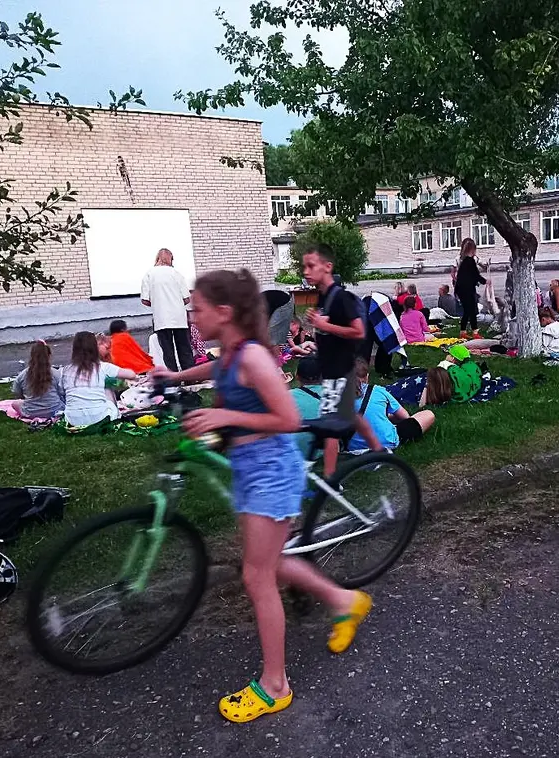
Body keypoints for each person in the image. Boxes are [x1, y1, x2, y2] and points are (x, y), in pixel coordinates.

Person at [151, 269, 372, 724]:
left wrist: (221, 415)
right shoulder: (231, 352)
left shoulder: (252, 356)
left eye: (198, 308)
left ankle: (276, 685)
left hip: (271, 471)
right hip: (253, 470)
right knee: (268, 563)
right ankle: (345, 601)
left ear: (225, 312)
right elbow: (215, 369)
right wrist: (174, 376)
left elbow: (290, 418)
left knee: (256, 577)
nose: (191, 314)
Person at [301, 244, 383, 475]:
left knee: (329, 427)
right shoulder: (323, 297)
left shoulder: (342, 297)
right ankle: (378, 451)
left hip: (341, 370)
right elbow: (328, 330)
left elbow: (358, 331)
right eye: (304, 266)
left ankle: (330, 479)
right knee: (349, 417)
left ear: (327, 267)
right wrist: (317, 322)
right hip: (332, 370)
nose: (305, 271)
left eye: (311, 266)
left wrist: (324, 325)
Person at [348, 360, 435, 452]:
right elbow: (405, 417)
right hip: (387, 442)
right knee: (428, 414)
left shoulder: (337, 398)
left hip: (354, 446)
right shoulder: (378, 390)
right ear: (367, 377)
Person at [60, 332, 137, 427]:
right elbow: (132, 374)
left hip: (72, 419)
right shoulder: (102, 367)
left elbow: (62, 392)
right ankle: (116, 417)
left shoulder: (65, 370)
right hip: (100, 417)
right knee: (106, 386)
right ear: (95, 348)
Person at [141, 248, 192, 372]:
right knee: (184, 347)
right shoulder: (176, 274)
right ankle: (190, 375)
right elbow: (186, 298)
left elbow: (144, 300)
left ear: (157, 258)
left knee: (167, 350)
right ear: (170, 259)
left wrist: (158, 304)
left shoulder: (149, 274)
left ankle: (173, 377)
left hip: (161, 318)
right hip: (179, 317)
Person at [11, 341, 64, 419]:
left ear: (32, 356)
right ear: (49, 356)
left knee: (15, 403)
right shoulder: (56, 373)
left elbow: (17, 392)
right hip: (55, 410)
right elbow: (62, 392)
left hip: (31, 412)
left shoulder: (23, 374)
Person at [455, 238, 486, 339]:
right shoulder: (470, 261)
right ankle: (474, 333)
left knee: (468, 311)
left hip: (462, 289)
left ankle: (463, 332)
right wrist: (485, 281)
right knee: (471, 310)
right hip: (466, 290)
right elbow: (476, 275)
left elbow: (468, 276)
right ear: (472, 250)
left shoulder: (464, 261)